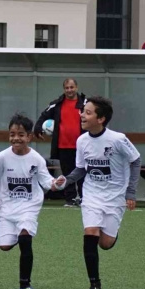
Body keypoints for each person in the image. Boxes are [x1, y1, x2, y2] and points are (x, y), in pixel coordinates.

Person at [59, 97, 140, 289]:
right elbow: (81, 169)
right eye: (82, 111)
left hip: (115, 196)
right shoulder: (82, 141)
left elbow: (136, 160)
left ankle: (111, 234)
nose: (82, 115)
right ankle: (94, 284)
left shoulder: (118, 139)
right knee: (90, 231)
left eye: (88, 112)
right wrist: (66, 180)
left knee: (105, 243)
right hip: (91, 195)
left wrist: (130, 192)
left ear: (101, 118)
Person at [0, 114, 62, 289]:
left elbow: (46, 181)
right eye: (12, 134)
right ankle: (16, 236)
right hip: (7, 207)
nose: (16, 138)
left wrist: (56, 183)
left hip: (29, 205)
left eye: (21, 135)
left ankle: (25, 284)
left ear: (29, 137)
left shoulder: (36, 159)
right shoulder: (2, 157)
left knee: (25, 237)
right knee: (4, 246)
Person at [37, 77, 87, 206]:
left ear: (76, 88)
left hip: (82, 147)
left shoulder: (85, 103)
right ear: (64, 89)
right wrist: (38, 128)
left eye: (72, 87)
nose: (69, 90)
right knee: (67, 174)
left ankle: (84, 198)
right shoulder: (57, 104)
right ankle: (70, 199)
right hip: (63, 145)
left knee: (82, 172)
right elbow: (44, 115)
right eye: (67, 88)